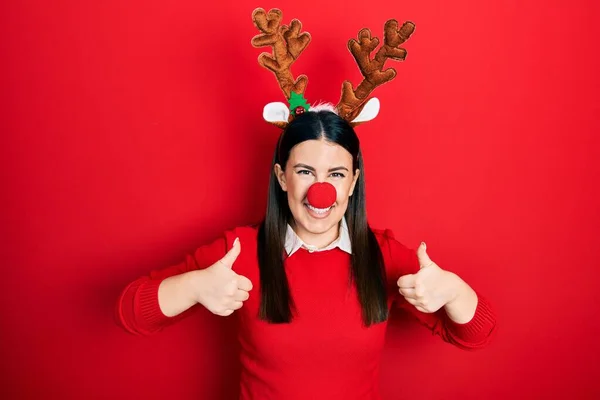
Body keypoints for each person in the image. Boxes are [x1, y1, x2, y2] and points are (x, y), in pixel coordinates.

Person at [115, 8, 496, 399]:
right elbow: (131, 313)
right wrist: (194, 286)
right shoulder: (240, 252)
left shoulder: (381, 255)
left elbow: (477, 334)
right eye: (304, 172)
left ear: (352, 184)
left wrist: (452, 290)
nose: (320, 191)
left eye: (335, 175)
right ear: (282, 177)